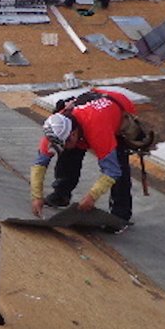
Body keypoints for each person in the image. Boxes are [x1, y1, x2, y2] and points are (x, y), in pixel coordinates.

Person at [29, 89, 135, 230]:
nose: (64, 146)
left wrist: (92, 197)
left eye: (66, 142)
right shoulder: (55, 127)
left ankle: (120, 216)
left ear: (73, 134)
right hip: (92, 108)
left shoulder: (98, 131)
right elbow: (39, 164)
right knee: (68, 154)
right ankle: (61, 195)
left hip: (118, 109)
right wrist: (37, 196)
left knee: (119, 166)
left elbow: (112, 171)